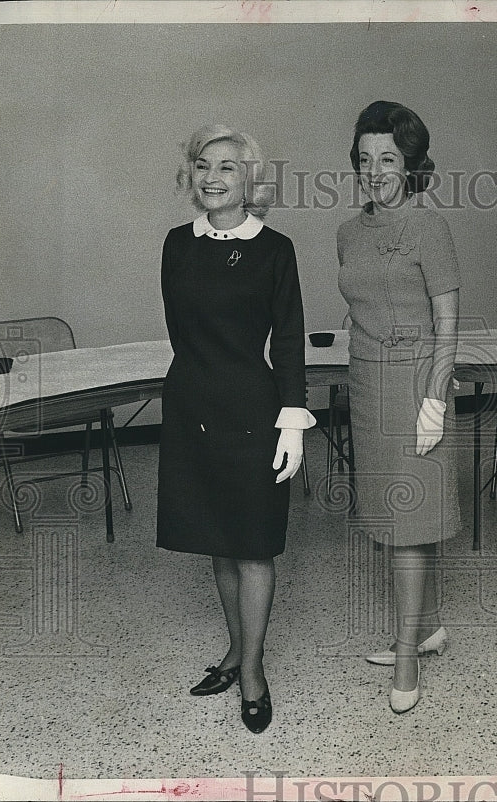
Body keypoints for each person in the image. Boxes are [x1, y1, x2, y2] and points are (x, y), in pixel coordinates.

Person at [157, 125, 314, 734]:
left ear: (250, 180)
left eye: (227, 166)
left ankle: (252, 671)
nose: (212, 177)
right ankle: (234, 649)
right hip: (193, 407)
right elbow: (184, 332)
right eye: (203, 165)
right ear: (191, 177)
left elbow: (291, 338)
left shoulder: (275, 249)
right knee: (220, 541)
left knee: (254, 543)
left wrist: (293, 421)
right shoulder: (176, 244)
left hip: (256, 411)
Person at [336, 101, 461, 714]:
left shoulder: (427, 227)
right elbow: (359, 303)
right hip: (365, 382)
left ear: (411, 164)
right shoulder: (349, 231)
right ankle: (426, 627)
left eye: (388, 158)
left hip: (416, 384)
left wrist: (437, 395)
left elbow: (448, 321)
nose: (375, 171)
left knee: (411, 525)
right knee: (389, 518)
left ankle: (407, 658)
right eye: (365, 160)